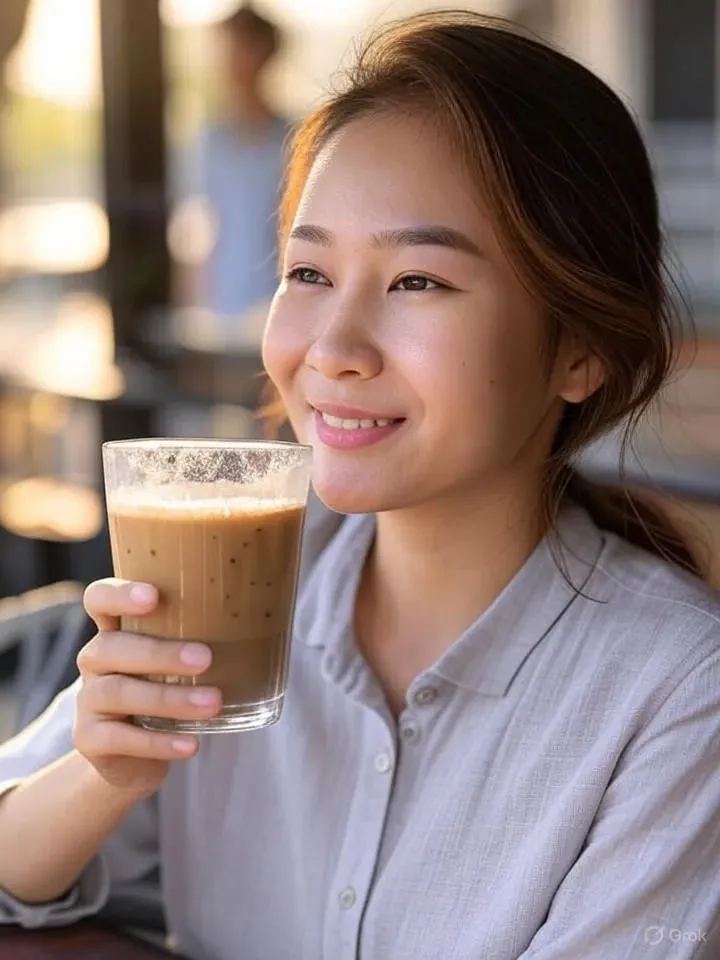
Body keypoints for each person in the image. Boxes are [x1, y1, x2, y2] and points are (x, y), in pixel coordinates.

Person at [1, 11, 720, 959]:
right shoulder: (233, 584)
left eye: (418, 282)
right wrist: (103, 773)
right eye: (307, 271)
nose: (332, 351)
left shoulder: (675, 692)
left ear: (579, 350)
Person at [190, 2, 290, 329]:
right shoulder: (210, 141)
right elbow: (205, 226)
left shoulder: (293, 139)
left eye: (239, 49)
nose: (229, 61)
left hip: (279, 302)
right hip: (224, 305)